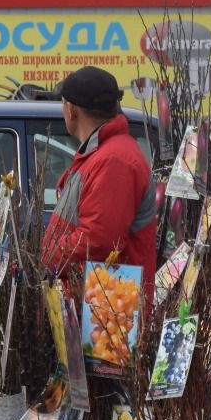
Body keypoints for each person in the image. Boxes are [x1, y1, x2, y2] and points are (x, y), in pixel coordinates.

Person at [40, 65, 157, 283]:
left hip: (108, 309)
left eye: (63, 103)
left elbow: (97, 241)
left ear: (72, 110)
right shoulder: (102, 154)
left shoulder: (114, 160)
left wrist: (51, 257)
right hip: (97, 304)